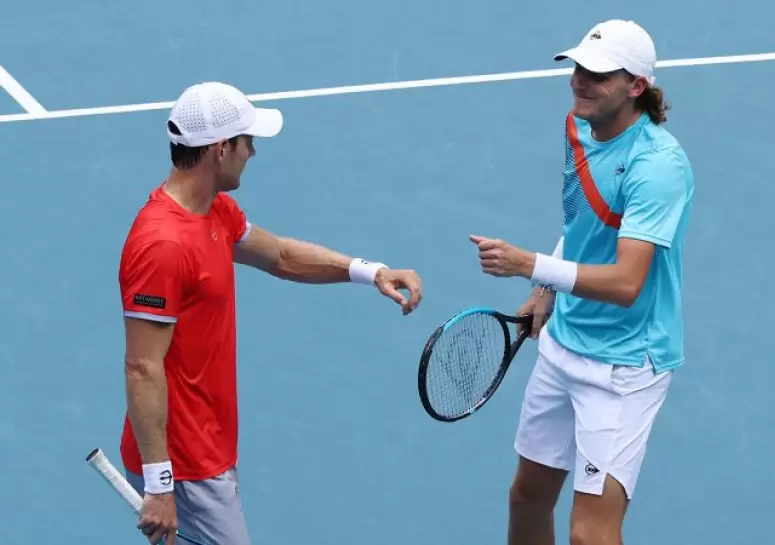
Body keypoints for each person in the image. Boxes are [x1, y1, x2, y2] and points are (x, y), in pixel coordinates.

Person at [117, 81, 423, 545]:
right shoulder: (163, 244)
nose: (253, 153)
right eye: (248, 142)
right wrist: (161, 486)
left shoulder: (213, 210)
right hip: (185, 464)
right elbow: (142, 367)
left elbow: (279, 255)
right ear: (221, 150)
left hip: (209, 445)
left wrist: (369, 270)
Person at [469, 19, 694, 545]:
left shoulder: (657, 167)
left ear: (636, 86)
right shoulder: (578, 127)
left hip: (622, 366)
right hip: (563, 346)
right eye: (577, 68)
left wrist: (531, 266)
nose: (579, 81)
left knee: (590, 534)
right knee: (526, 498)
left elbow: (625, 283)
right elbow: (582, 227)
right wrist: (544, 293)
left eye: (597, 74)